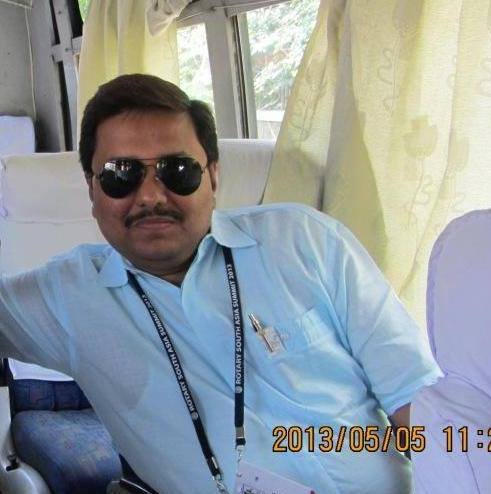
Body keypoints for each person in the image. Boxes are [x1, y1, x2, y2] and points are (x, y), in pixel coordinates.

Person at [0, 74, 441, 494]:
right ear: (92, 190)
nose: (151, 196)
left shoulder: (306, 242)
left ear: (212, 175)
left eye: (177, 170)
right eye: (121, 174)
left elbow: (415, 399)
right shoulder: (67, 295)